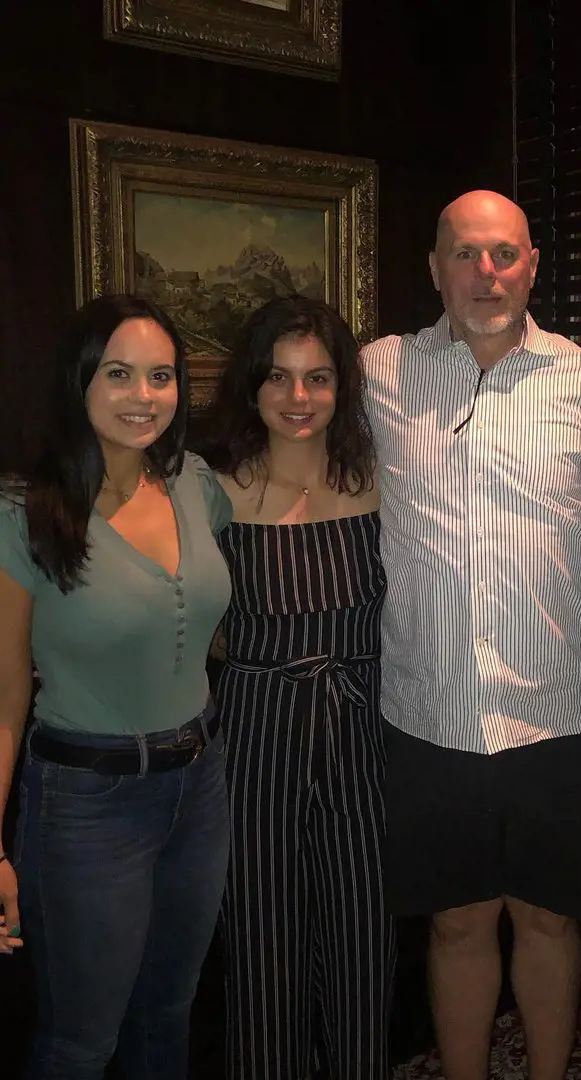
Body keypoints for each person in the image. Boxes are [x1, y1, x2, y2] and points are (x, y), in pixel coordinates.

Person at [361, 190, 581, 1080]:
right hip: (429, 712)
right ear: (434, 268)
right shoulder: (376, 373)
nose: (486, 273)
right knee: (457, 921)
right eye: (466, 254)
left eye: (504, 253)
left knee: (549, 919)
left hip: (561, 708)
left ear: (533, 264)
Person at [0, 294, 232, 1079]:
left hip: (199, 788)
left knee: (169, 1015)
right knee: (79, 1041)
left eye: (161, 376)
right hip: (84, 804)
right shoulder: (22, 515)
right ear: (80, 382)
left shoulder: (196, 485)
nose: (144, 396)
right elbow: (3, 701)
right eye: (120, 374)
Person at [206, 295, 391, 1080]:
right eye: (279, 378)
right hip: (254, 730)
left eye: (318, 378)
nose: (299, 398)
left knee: (361, 930)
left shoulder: (383, 485)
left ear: (342, 387)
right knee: (260, 936)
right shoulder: (209, 491)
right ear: (252, 387)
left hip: (363, 731)